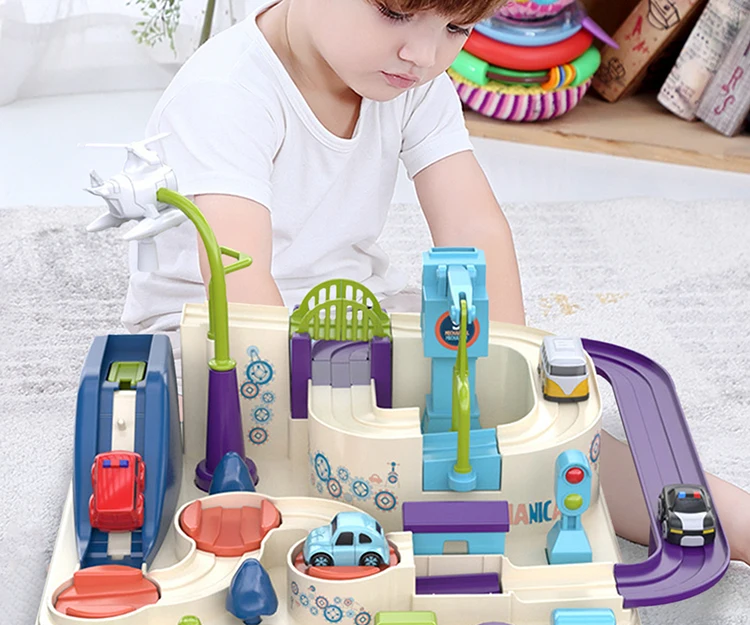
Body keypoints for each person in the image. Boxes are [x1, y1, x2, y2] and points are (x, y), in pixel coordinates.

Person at [122, 0, 750, 564]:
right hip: (220, 346)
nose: (423, 54)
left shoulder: (409, 82)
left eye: (456, 28)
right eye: (395, 14)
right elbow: (238, 281)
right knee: (411, 465)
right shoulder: (227, 92)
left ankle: (728, 517)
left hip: (352, 320)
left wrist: (505, 385)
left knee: (551, 444)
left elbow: (474, 227)